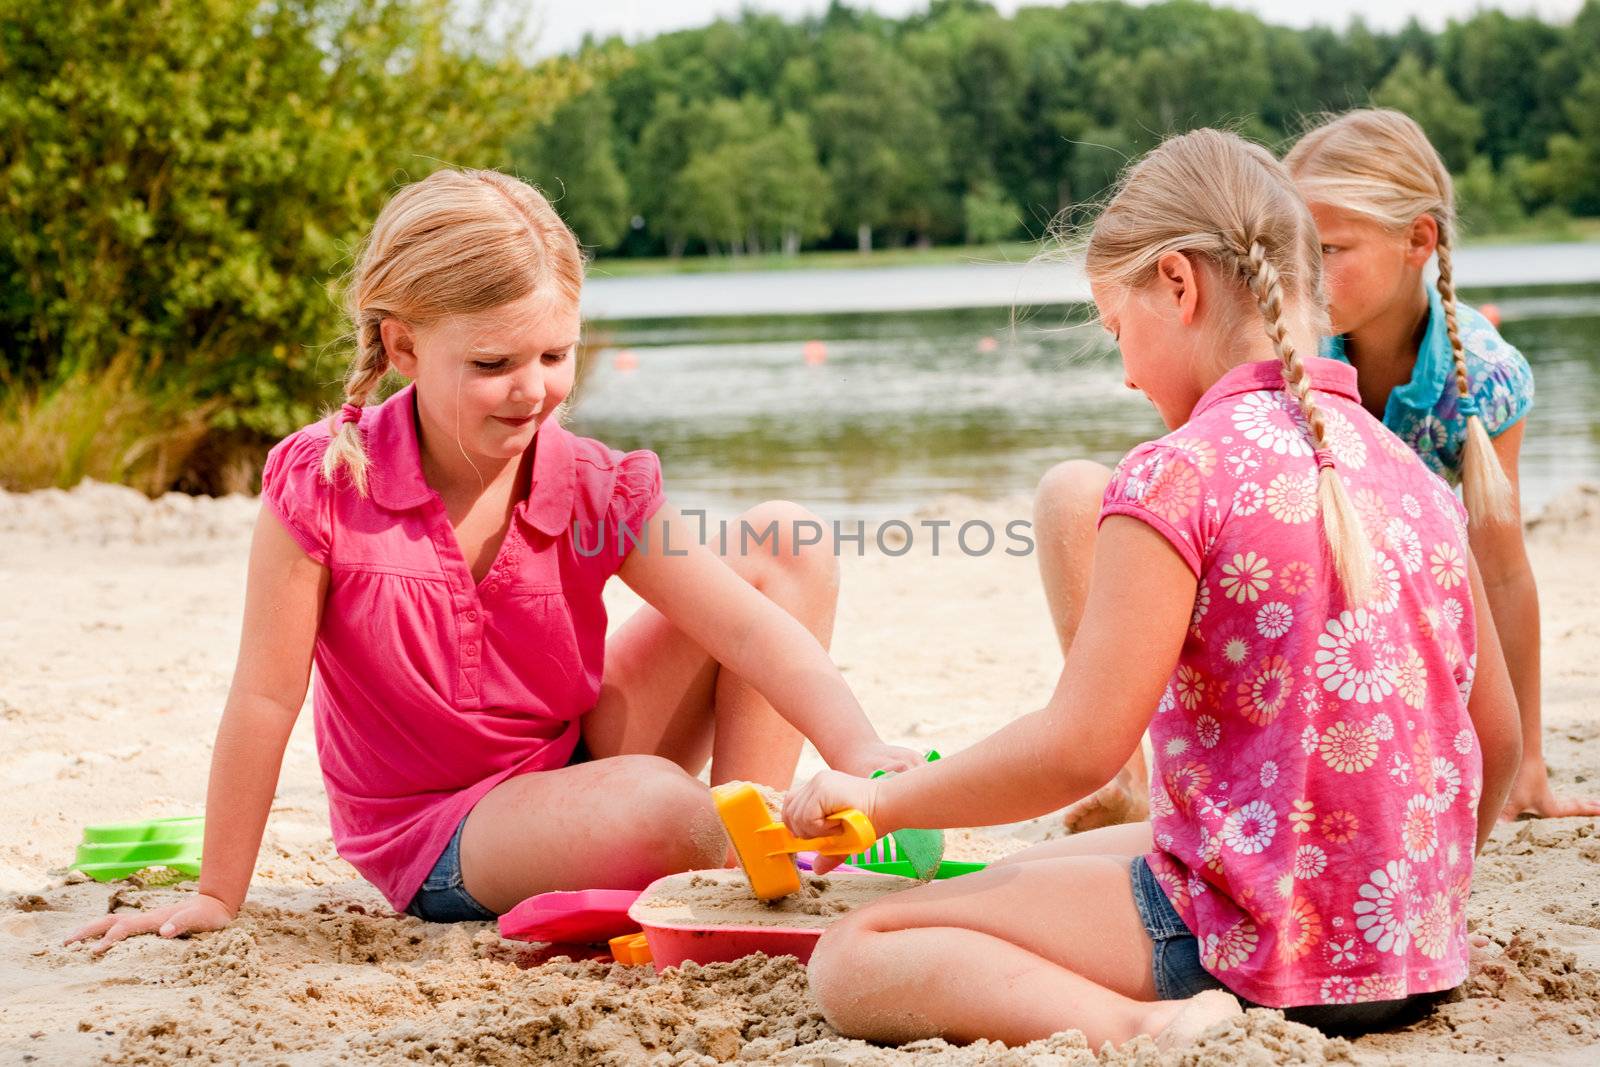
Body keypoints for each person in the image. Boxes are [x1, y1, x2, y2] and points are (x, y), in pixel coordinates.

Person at [781, 129, 1521, 1049]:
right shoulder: (1412, 473)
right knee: (1082, 855)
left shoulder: (1179, 475)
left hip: (1255, 957)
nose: (1126, 370)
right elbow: (1498, 736)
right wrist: (1423, 904)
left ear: (1179, 283)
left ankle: (1142, 1024)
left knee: (859, 951)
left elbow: (1078, 749)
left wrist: (882, 802)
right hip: (1408, 960)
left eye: (1115, 329)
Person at [68, 168, 917, 952]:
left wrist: (863, 753)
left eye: (556, 355)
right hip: (444, 832)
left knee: (784, 542)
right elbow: (262, 695)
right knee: (659, 803)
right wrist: (219, 893)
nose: (532, 389)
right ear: (402, 348)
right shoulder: (325, 483)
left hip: (571, 755)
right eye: (493, 363)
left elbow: (748, 627)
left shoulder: (588, 480)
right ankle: (730, 848)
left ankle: (741, 863)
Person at [1286, 108, 1596, 821]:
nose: (1302, 276)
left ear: (1417, 240)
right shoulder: (1291, 347)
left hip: (1408, 616)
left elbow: (1504, 570)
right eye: (1293, 250)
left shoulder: (1483, 381)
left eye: (1328, 249)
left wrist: (1529, 762)